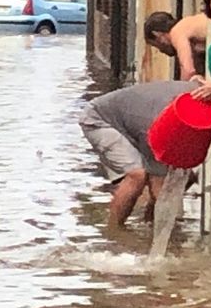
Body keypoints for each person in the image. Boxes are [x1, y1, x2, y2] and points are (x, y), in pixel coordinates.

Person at [80, 80, 194, 228]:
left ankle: (150, 222)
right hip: (99, 119)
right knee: (137, 175)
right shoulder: (155, 123)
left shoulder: (197, 92)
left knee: (187, 177)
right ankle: (114, 230)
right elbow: (158, 183)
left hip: (131, 120)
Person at [144, 10, 208, 79]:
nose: (161, 50)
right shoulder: (186, 27)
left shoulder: (177, 32)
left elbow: (188, 70)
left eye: (157, 45)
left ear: (157, 34)